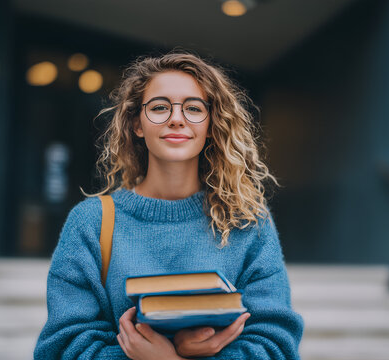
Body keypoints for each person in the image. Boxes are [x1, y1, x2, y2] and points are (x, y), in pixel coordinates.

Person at [34, 52, 303, 360]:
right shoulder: (91, 223)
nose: (177, 118)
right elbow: (62, 348)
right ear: (136, 124)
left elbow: (276, 347)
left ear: (211, 125)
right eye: (160, 107)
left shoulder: (247, 221)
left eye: (193, 108)